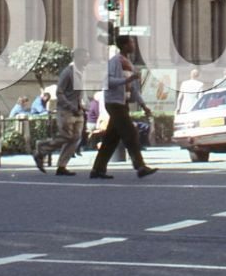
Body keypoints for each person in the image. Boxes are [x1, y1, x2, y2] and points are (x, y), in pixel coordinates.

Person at [90, 38, 158, 180]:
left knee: (111, 139)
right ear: (125, 45)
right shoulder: (115, 61)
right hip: (113, 102)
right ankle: (140, 166)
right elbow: (108, 81)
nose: (133, 45)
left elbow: (133, 89)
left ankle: (97, 169)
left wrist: (143, 105)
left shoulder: (129, 64)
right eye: (131, 43)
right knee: (130, 132)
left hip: (122, 103)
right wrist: (126, 80)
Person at [35, 47, 91, 176]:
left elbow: (81, 92)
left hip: (78, 111)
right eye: (85, 57)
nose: (87, 59)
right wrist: (71, 106)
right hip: (66, 111)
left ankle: (61, 166)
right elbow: (59, 92)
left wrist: (83, 105)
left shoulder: (82, 71)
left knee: (75, 138)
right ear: (77, 58)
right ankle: (42, 148)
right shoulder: (67, 72)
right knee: (66, 136)